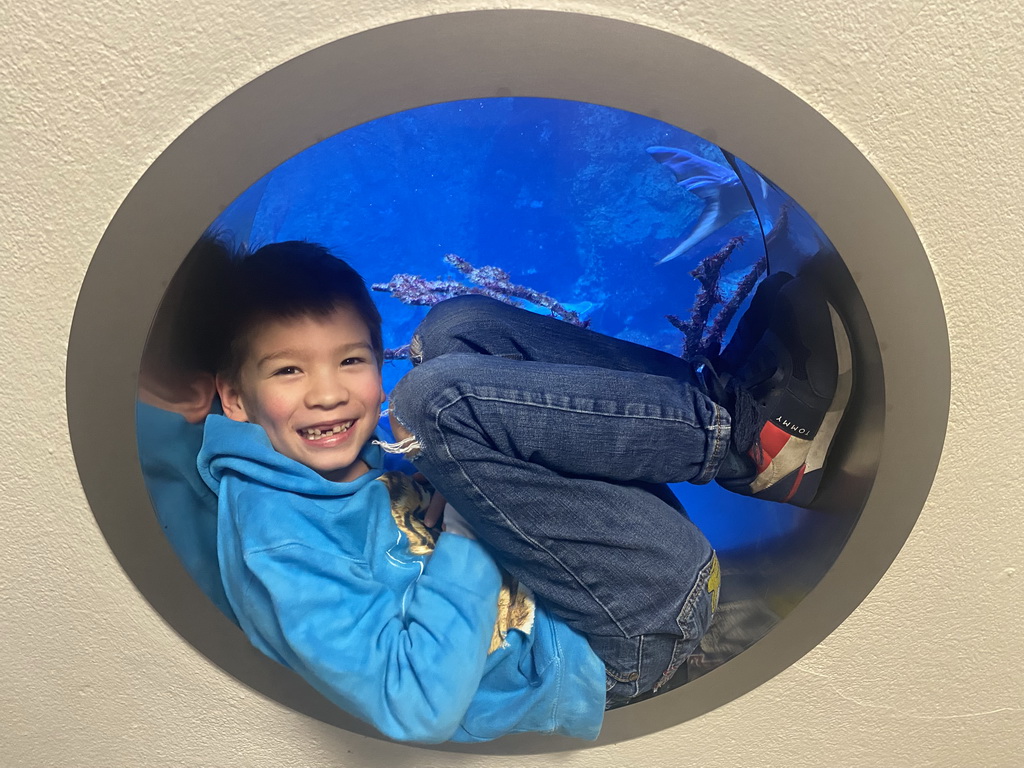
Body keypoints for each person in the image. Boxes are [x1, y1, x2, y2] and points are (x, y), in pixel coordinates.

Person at [196, 240, 847, 742]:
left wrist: (456, 490)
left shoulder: (316, 456)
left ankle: (721, 398)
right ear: (233, 397)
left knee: (455, 329)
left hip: (581, 588)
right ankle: (747, 441)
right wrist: (461, 532)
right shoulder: (275, 547)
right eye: (288, 370)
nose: (329, 391)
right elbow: (410, 706)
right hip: (613, 643)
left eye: (350, 360)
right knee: (434, 407)